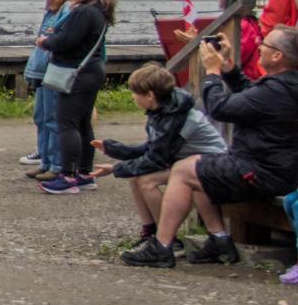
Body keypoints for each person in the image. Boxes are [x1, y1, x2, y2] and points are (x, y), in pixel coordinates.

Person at [121, 26, 298, 268]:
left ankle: (162, 245)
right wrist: (228, 68)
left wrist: (213, 73)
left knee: (183, 171)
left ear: (277, 56)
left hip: (262, 171)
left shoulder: (276, 90)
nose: (258, 47)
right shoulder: (284, 85)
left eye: (264, 45)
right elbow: (248, 97)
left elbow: (219, 108)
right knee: (203, 169)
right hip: (274, 167)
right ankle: (219, 241)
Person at [89, 63, 228, 252]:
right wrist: (115, 149)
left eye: (135, 92)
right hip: (185, 161)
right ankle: (150, 231)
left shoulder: (176, 117)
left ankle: (167, 238)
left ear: (149, 95)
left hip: (212, 163)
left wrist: (115, 169)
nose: (132, 97)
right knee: (135, 176)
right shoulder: (164, 109)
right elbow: (153, 147)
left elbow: (157, 159)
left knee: (147, 180)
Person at [35, 0, 115, 194]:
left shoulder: (83, 12)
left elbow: (65, 41)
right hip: (92, 70)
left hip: (77, 73)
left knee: (66, 123)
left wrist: (45, 42)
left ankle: (67, 177)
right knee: (82, 123)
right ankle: (83, 173)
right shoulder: (100, 11)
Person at [21, 0, 79, 182]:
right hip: (41, 71)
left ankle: (56, 164)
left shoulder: (67, 9)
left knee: (54, 118)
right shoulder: (52, 8)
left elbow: (63, 39)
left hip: (54, 70)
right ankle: (45, 161)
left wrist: (48, 42)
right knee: (41, 117)